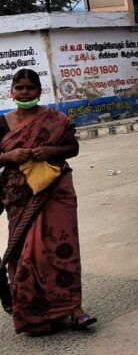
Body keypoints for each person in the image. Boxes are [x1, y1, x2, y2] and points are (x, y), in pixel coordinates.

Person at [0, 68, 96, 336]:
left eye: (30, 88)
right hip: (20, 194)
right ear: (12, 92)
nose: (25, 93)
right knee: (25, 252)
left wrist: (51, 151)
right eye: (19, 88)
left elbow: (73, 148)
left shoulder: (55, 119)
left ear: (39, 91)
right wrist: (10, 156)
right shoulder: (4, 123)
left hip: (56, 189)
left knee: (61, 247)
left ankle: (74, 308)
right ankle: (35, 315)